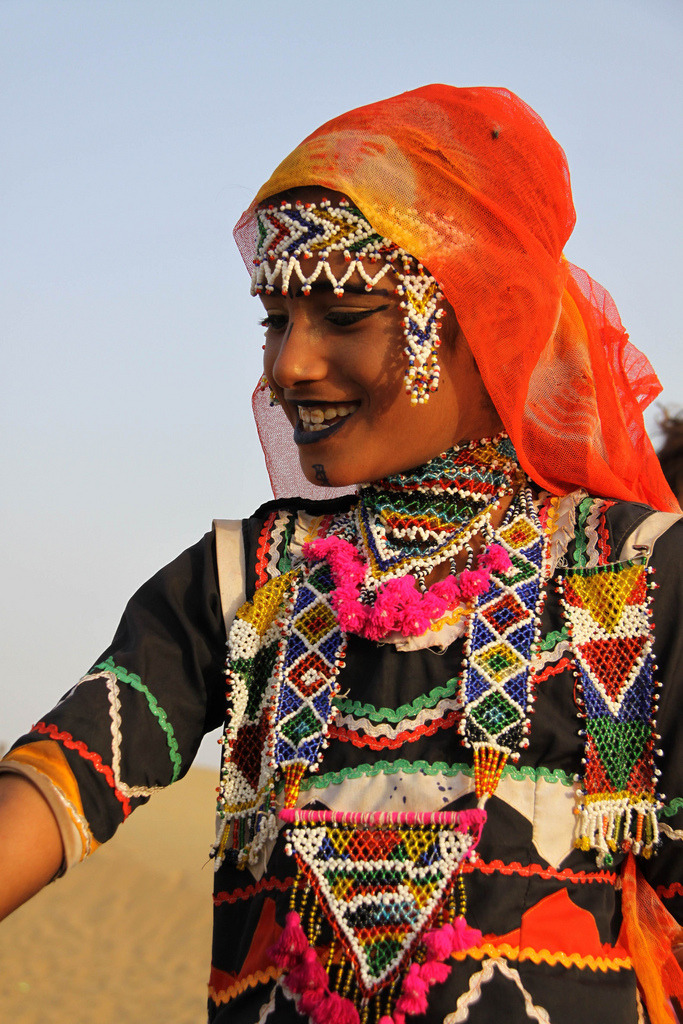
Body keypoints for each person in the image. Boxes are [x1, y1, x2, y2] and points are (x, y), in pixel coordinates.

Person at [1, 84, 682, 1024]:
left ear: (477, 312)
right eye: (275, 320)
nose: (287, 365)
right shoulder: (244, 580)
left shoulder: (633, 578)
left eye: (343, 316)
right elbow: (66, 778)